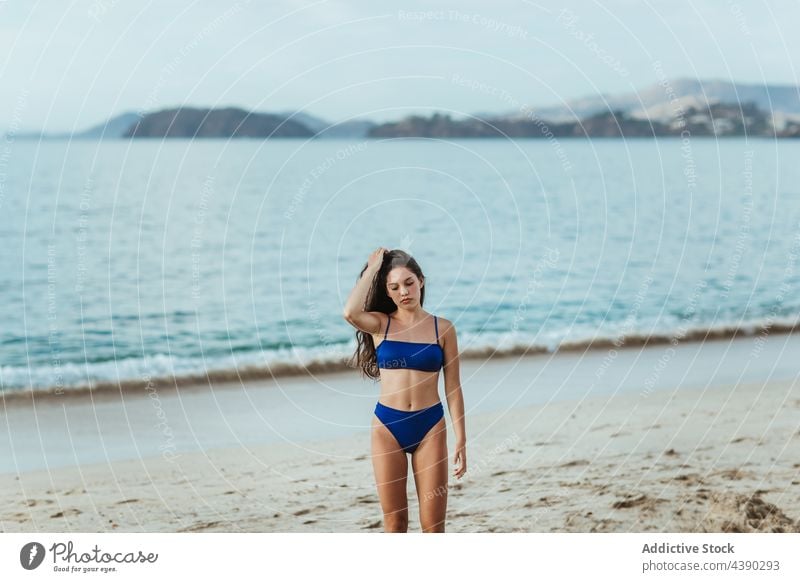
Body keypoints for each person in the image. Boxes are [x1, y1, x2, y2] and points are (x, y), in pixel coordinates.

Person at [343, 247, 467, 533]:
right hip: (388, 427)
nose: (404, 292)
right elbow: (350, 312)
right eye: (394, 287)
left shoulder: (443, 329)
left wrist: (461, 437)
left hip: (430, 427)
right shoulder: (380, 325)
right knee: (395, 523)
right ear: (387, 292)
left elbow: (453, 386)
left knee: (433, 527)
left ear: (421, 281)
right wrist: (373, 268)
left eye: (409, 283)